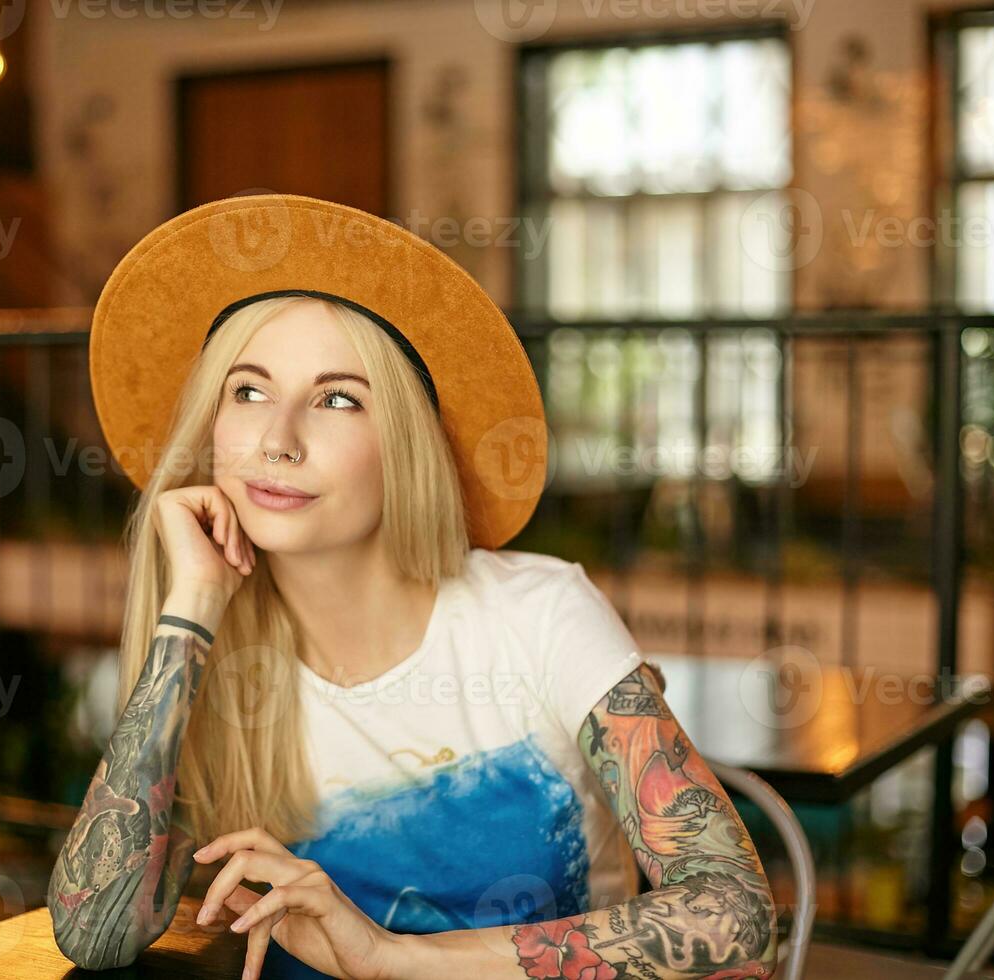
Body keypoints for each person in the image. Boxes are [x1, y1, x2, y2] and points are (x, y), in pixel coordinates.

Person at [46, 193, 778, 980]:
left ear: (406, 446)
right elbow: (94, 936)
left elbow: (735, 915)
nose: (276, 440)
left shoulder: (539, 613)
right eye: (248, 390)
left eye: (337, 399)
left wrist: (388, 958)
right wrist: (189, 610)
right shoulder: (215, 654)